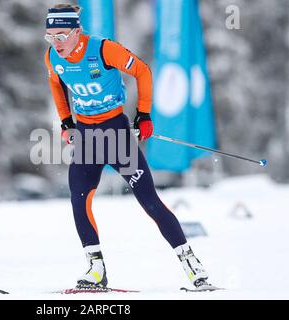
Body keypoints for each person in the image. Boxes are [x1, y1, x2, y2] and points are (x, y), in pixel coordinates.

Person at [44, 4, 212, 290]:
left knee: (149, 201)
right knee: (79, 197)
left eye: (61, 35)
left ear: (77, 31)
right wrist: (66, 122)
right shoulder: (52, 57)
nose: (55, 42)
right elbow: (56, 84)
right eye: (50, 36)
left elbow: (143, 72)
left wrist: (144, 114)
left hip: (116, 133)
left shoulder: (103, 50)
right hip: (86, 136)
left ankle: (192, 264)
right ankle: (95, 269)